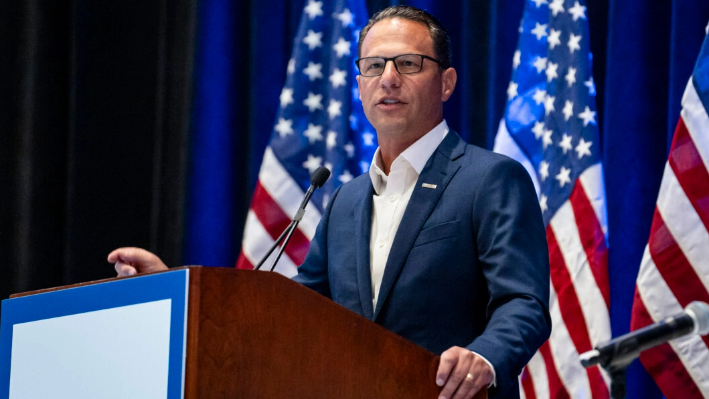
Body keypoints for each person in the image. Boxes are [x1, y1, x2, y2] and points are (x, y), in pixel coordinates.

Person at [109, 6, 551, 399]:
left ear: (447, 82)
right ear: (359, 85)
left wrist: (484, 359)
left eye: (409, 63)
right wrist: (178, 288)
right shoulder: (344, 200)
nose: (389, 78)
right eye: (375, 65)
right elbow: (293, 315)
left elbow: (523, 302)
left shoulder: (490, 178)